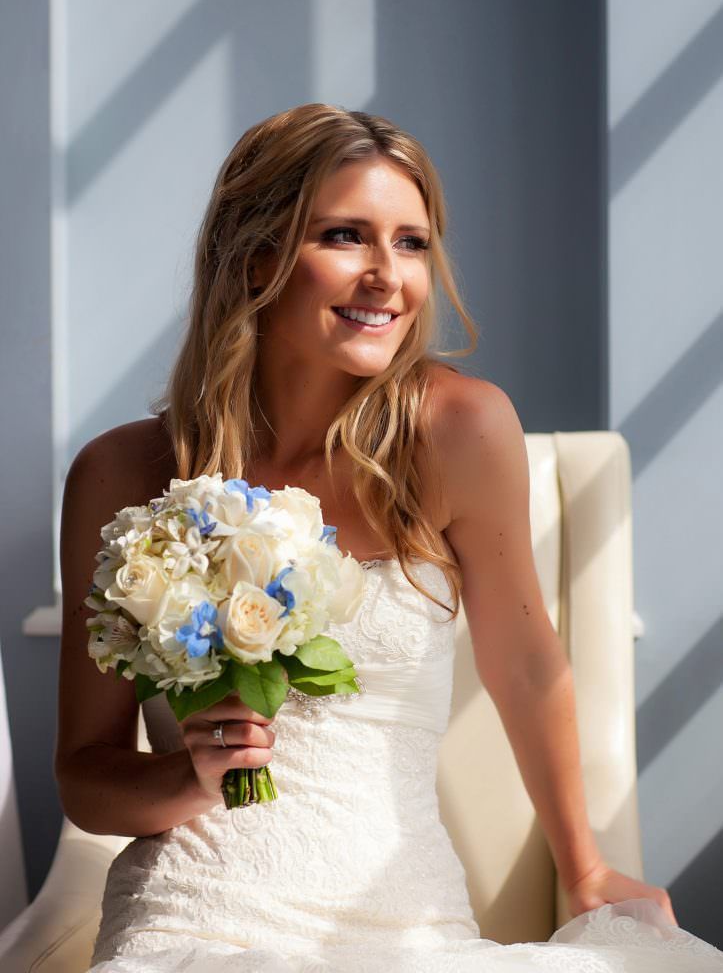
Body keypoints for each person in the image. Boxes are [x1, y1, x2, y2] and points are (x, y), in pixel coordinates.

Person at [55, 103, 723, 972]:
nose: (388, 277)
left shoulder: (461, 429)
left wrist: (585, 864)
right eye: (344, 236)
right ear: (254, 255)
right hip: (199, 918)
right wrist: (190, 777)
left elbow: (525, 666)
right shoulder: (122, 472)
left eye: (411, 243)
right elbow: (85, 778)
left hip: (408, 924)